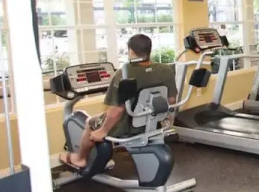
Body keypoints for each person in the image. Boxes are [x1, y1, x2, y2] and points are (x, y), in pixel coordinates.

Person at [59, 34, 177, 169]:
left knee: (90, 122)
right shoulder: (166, 70)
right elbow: (171, 100)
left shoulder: (124, 73)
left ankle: (80, 159)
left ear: (131, 51)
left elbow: (117, 110)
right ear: (149, 50)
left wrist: (103, 130)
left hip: (126, 125)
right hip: (153, 121)